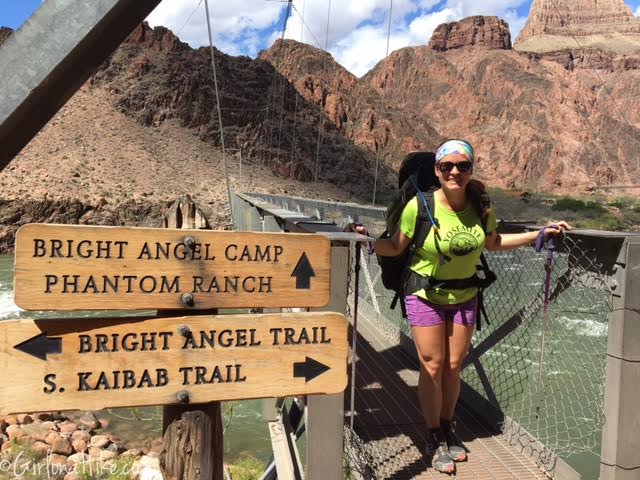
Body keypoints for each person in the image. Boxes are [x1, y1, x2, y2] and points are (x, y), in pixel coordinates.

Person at [351, 139, 570, 474]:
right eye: (447, 166)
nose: (455, 172)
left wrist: (536, 234)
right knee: (433, 366)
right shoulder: (420, 206)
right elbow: (395, 248)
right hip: (424, 293)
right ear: (437, 171)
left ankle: (448, 424)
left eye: (462, 166)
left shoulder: (481, 205)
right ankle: (434, 435)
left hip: (466, 295)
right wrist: (365, 240)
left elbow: (494, 242)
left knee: (454, 366)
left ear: (471, 170)